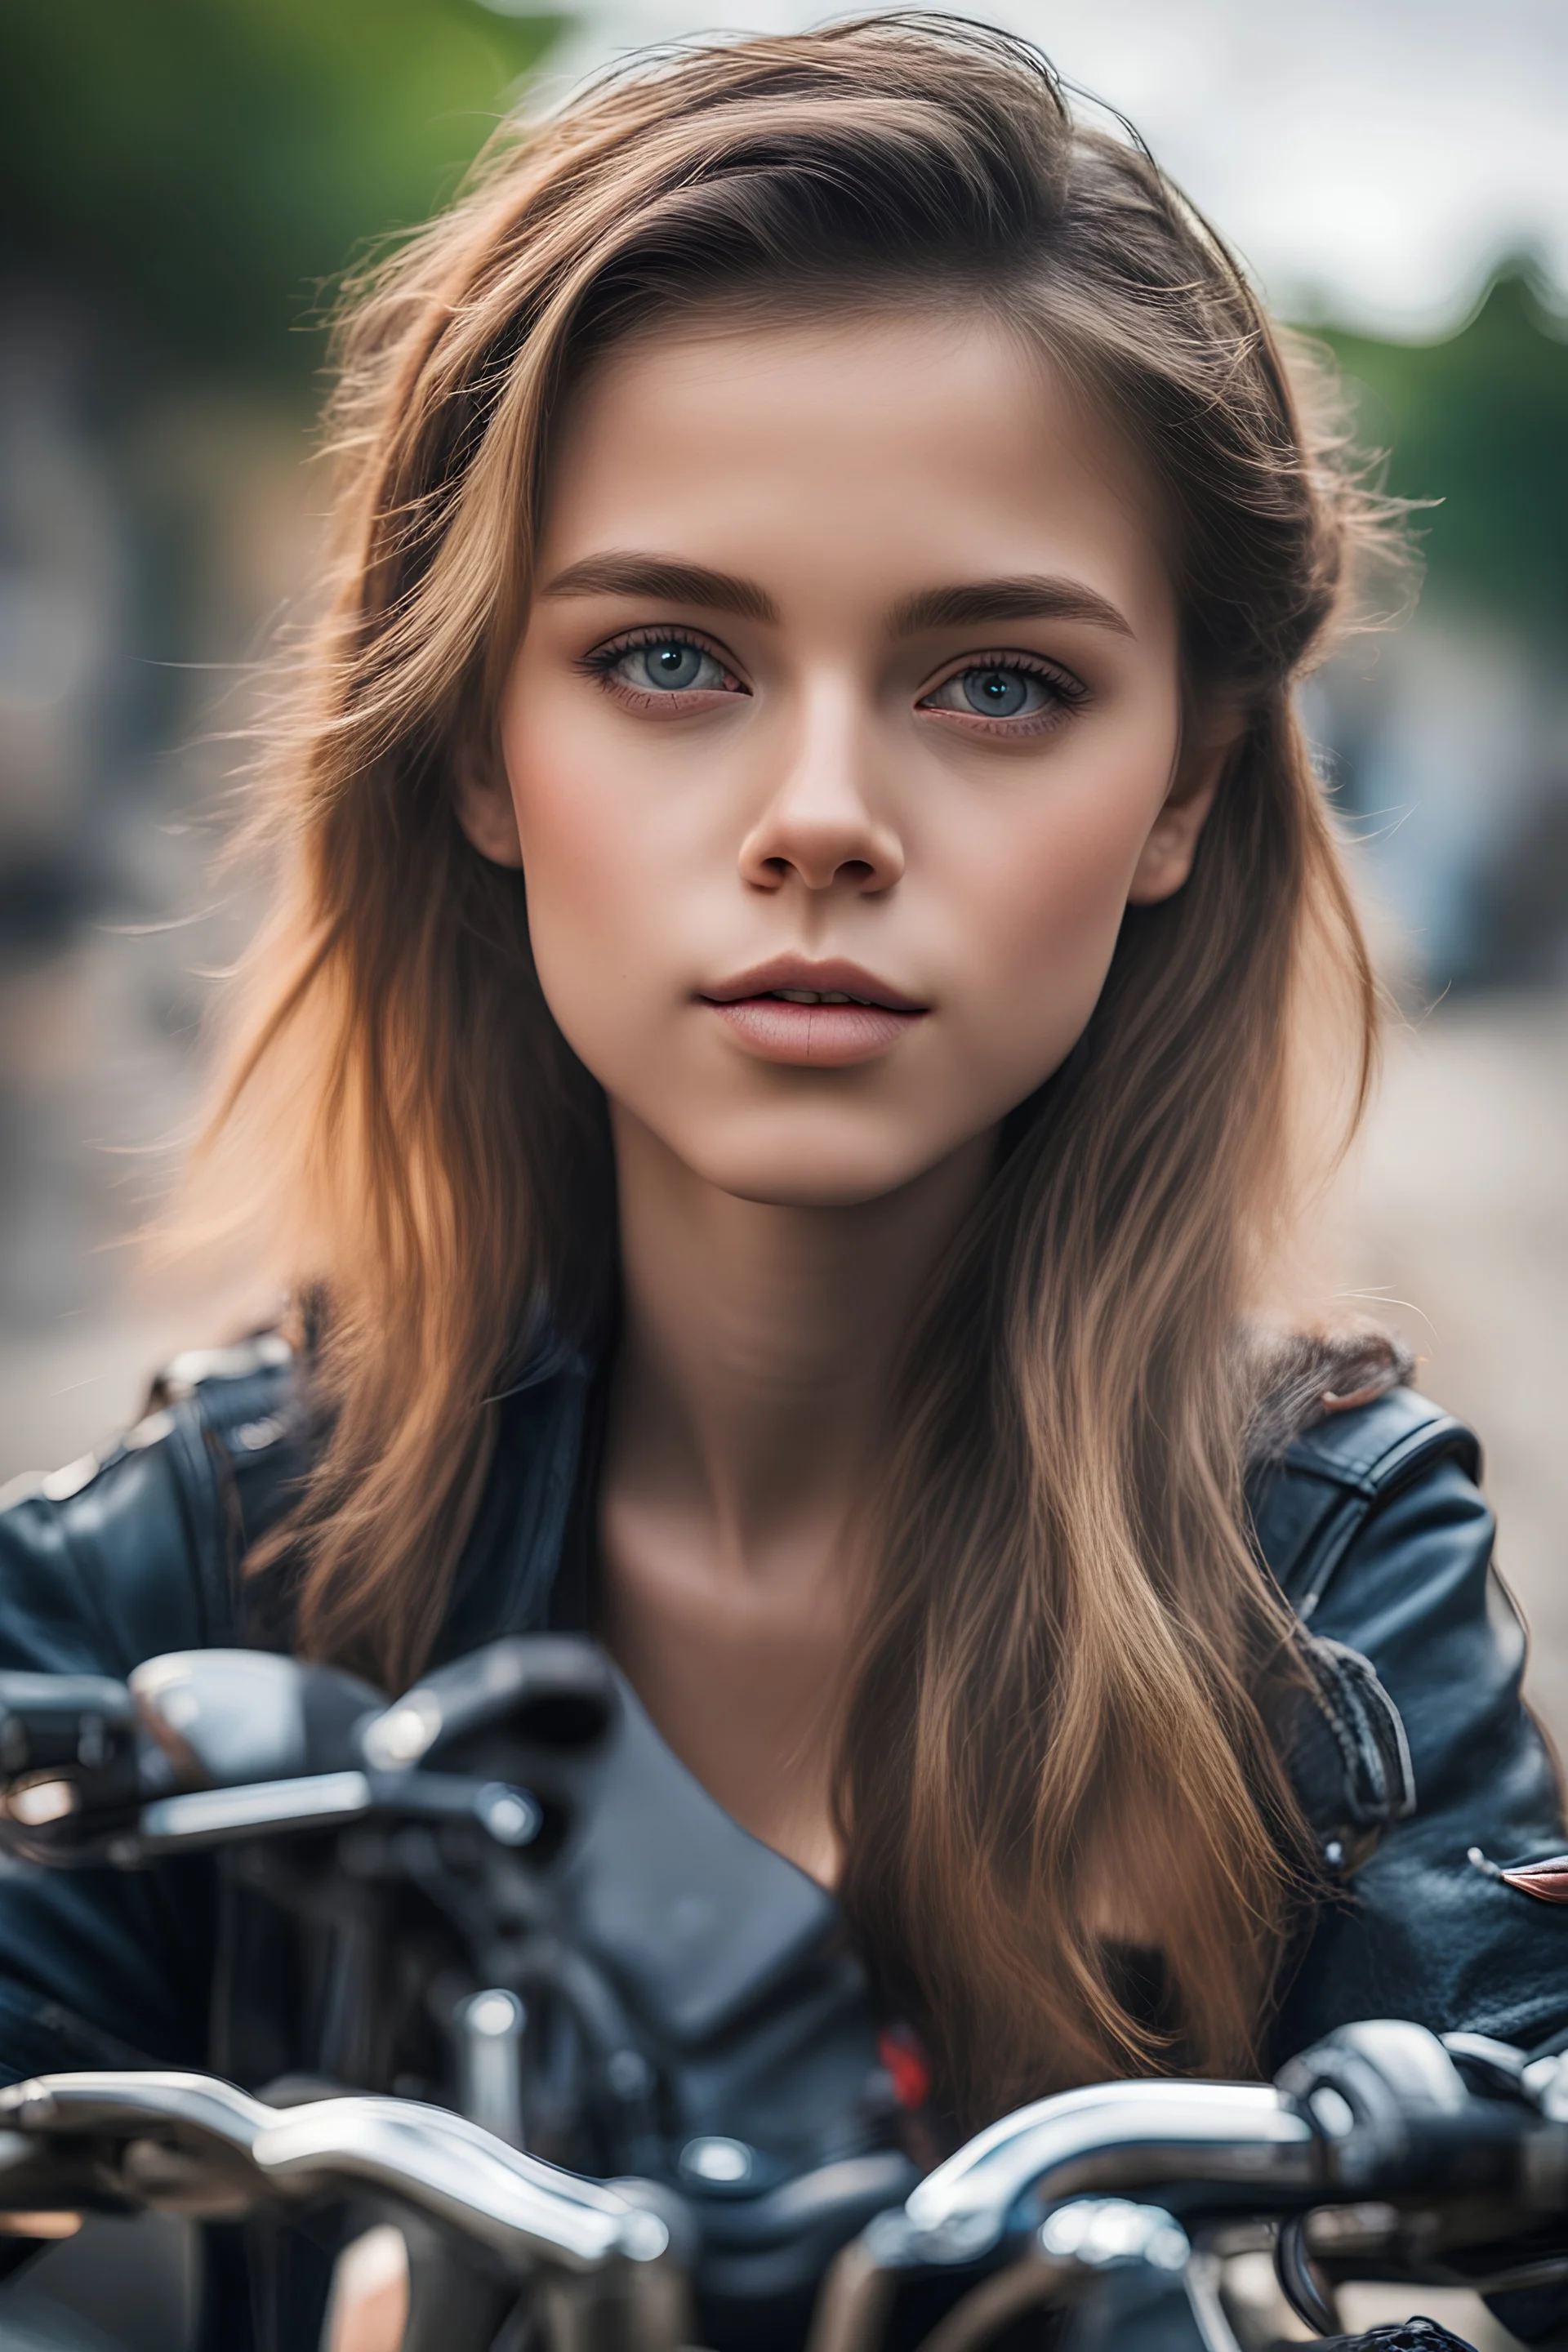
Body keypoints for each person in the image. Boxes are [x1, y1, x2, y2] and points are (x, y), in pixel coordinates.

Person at [0, 4, 1563, 2314]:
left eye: (999, 682)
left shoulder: (1325, 1591)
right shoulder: (198, 1566)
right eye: (666, 658)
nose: (822, 815)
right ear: (477, 752)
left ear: (1190, 791)